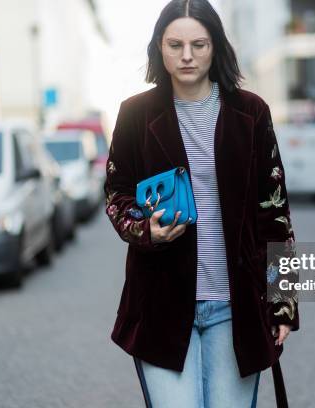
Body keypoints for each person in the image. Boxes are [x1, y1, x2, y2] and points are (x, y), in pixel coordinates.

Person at [104, 0, 299, 406]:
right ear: (159, 47)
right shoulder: (135, 114)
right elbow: (116, 191)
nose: (187, 55)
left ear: (216, 47)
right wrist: (144, 228)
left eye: (199, 44)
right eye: (175, 45)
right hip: (160, 304)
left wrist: (282, 303)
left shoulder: (251, 112)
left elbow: (275, 213)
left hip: (236, 307)